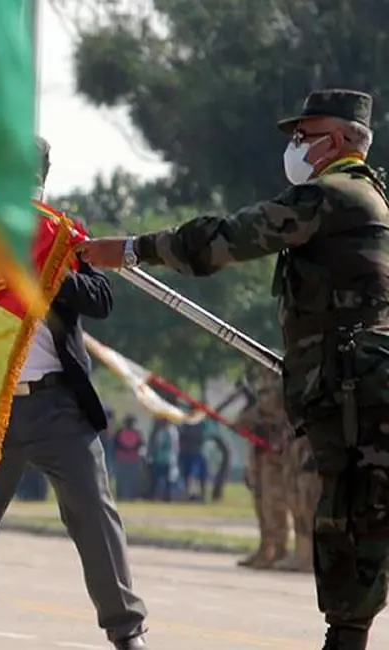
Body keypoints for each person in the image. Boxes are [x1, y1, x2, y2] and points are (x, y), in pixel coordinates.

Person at [79, 88, 389, 649]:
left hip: (356, 395)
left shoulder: (334, 196)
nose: (296, 146)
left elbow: (231, 237)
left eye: (306, 134)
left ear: (340, 139)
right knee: (357, 519)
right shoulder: (368, 197)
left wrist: (131, 248)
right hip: (351, 388)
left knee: (352, 523)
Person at [0, 137, 148, 650]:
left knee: (93, 513)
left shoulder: (60, 235)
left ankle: (126, 630)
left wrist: (40, 263)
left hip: (57, 405)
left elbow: (101, 299)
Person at [235, 369, 292, 569]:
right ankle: (265, 548)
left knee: (274, 505)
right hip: (260, 457)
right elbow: (241, 423)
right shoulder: (259, 401)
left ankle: (278, 549)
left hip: (276, 459)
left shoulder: (284, 394)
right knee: (261, 505)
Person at [277, 430, 323, 573]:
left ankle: (312, 558)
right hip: (300, 445)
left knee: (310, 512)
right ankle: (303, 554)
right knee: (299, 510)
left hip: (316, 449)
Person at [112, 415, 145, 501]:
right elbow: (140, 445)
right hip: (128, 459)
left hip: (126, 459)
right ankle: (127, 496)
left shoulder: (120, 432)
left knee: (125, 479)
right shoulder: (136, 433)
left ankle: (126, 496)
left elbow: (116, 445)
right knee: (127, 479)